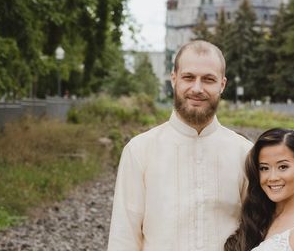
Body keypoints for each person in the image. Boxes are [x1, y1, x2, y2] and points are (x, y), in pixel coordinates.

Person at [107, 40, 253, 251]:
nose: (197, 88)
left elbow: (258, 228)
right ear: (174, 79)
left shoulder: (245, 152)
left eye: (208, 79)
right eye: (189, 77)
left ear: (222, 85)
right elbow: (124, 236)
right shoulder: (139, 150)